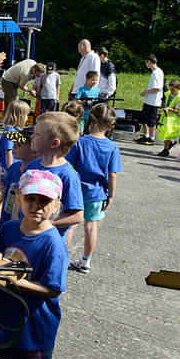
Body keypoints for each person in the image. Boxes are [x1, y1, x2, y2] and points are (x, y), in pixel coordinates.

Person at [0, 169, 69, 359]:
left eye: (44, 201)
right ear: (19, 199)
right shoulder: (9, 229)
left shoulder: (53, 243)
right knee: (13, 358)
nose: (36, 206)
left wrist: (12, 280)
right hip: (10, 314)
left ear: (56, 205)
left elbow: (53, 289)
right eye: (30, 199)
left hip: (37, 321)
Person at [65, 103, 120, 274]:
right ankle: (85, 261)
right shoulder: (112, 147)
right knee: (91, 227)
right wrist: (111, 195)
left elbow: (70, 167)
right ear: (110, 126)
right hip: (97, 193)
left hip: (76, 191)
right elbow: (113, 175)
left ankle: (61, 255)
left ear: (89, 120)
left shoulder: (79, 142)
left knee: (70, 226)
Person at [23, 112, 83, 245]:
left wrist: (49, 223)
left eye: (37, 134)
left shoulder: (69, 175)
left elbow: (77, 216)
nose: (32, 136)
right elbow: (20, 197)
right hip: (25, 234)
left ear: (54, 143)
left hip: (47, 241)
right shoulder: (32, 166)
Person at [0, 127, 39, 226]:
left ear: (34, 151)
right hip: (5, 222)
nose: (14, 146)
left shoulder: (36, 176)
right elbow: (4, 191)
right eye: (15, 143)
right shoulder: (13, 168)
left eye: (19, 145)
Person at [135, 55, 164, 145]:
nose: (145, 65)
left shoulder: (156, 73)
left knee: (151, 120)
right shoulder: (155, 72)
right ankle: (145, 135)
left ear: (149, 62)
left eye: (146, 62)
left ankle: (151, 138)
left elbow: (158, 88)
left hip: (154, 101)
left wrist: (146, 92)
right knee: (143, 118)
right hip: (148, 100)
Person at [0, 100, 30, 175]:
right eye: (26, 115)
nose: (27, 117)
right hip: (10, 167)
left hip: (18, 165)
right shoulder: (10, 131)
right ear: (20, 115)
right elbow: (8, 151)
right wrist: (10, 169)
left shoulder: (18, 129)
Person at [156, 79, 180, 157]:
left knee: (167, 134)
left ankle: (165, 149)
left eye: (173, 90)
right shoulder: (169, 93)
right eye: (170, 89)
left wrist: (169, 109)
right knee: (168, 133)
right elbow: (166, 101)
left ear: (179, 88)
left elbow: (177, 110)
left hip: (174, 119)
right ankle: (170, 143)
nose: (171, 91)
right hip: (167, 117)